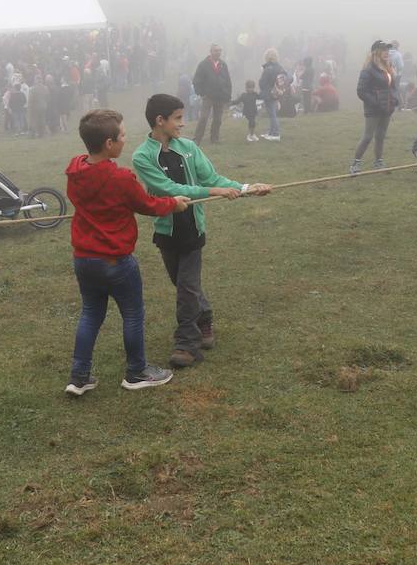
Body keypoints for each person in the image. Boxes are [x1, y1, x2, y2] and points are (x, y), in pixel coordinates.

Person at [132, 94, 272, 368]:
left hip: (193, 230)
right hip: (166, 232)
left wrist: (247, 189)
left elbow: (213, 178)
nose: (183, 124)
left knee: (186, 287)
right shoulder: (142, 156)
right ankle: (205, 319)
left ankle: (187, 344)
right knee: (186, 286)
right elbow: (169, 190)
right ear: (160, 121)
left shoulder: (189, 148)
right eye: (178, 118)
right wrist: (212, 191)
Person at [65, 109, 190, 395]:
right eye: (121, 135)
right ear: (109, 144)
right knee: (132, 314)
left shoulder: (75, 169)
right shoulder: (121, 178)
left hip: (84, 260)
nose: (125, 139)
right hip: (115, 261)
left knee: (90, 313)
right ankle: (136, 372)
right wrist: (173, 203)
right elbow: (146, 204)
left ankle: (79, 376)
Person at [350, 40, 399, 174]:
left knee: (381, 136)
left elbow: (393, 86)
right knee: (368, 136)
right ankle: (355, 164)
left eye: (387, 50)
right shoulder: (368, 69)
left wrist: (394, 100)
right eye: (384, 50)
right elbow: (361, 91)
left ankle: (378, 161)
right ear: (376, 52)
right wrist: (376, 103)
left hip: (387, 107)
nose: (387, 53)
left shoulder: (388, 67)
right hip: (373, 108)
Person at [190, 44, 233, 146]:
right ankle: (197, 139)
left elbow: (228, 81)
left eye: (219, 50)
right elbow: (196, 80)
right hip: (208, 96)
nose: (218, 52)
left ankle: (214, 138)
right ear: (211, 52)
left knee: (218, 119)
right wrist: (201, 93)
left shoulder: (223, 65)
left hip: (220, 96)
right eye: (216, 50)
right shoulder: (203, 64)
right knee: (203, 118)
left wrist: (228, 95)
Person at [257, 49, 285, 141]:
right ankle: (271, 132)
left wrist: (260, 82)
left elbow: (262, 83)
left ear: (267, 57)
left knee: (272, 114)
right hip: (276, 92)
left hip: (269, 93)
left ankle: (276, 134)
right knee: (272, 112)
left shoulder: (268, 69)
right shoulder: (279, 67)